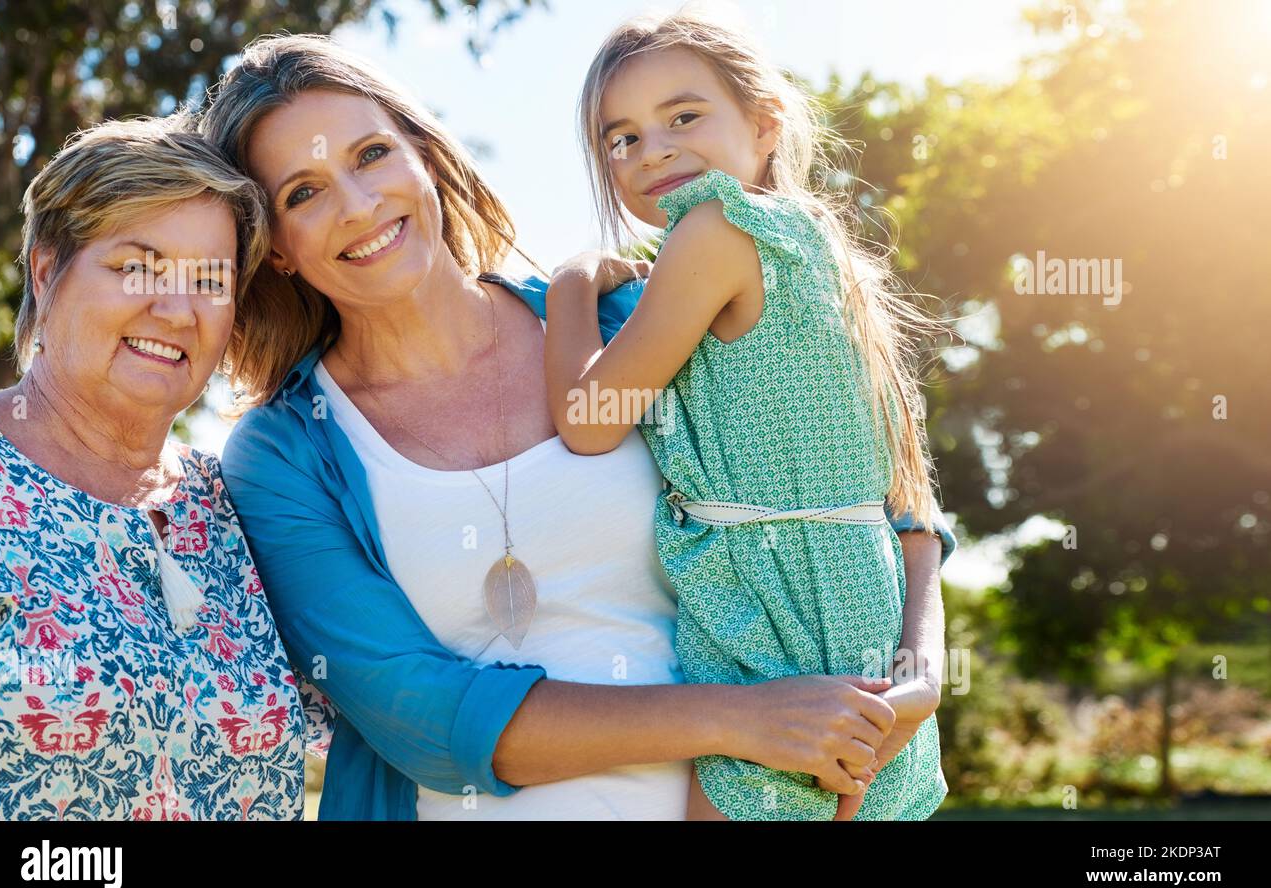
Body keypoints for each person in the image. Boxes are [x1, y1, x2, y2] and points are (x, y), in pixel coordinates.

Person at [200, 33, 955, 820]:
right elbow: (420, 715)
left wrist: (919, 674)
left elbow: (886, 490)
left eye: (371, 155)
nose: (358, 206)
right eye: (302, 194)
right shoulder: (284, 452)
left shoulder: (628, 322)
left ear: (425, 156)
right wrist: (745, 718)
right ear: (276, 249)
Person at [544, 10, 948, 821]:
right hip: (873, 647)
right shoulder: (829, 256)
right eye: (619, 138)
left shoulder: (715, 229)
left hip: (780, 647)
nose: (650, 149)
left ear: (766, 124)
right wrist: (924, 679)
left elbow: (589, 419)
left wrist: (573, 285)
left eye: (682, 116)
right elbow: (913, 514)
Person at [0, 116, 311, 819]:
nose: (177, 309)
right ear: (46, 269)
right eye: (138, 266)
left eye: (209, 280)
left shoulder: (243, 504)